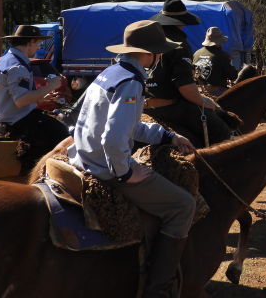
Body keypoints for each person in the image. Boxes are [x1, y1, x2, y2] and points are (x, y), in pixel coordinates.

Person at [68, 20, 196, 298]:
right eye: (158, 52)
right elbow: (114, 139)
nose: (159, 57)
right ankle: (158, 289)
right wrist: (125, 173)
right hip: (104, 166)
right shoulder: (131, 81)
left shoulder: (112, 72)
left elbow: (128, 125)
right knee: (184, 205)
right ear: (149, 54)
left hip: (83, 156)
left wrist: (168, 137)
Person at [143, 0, 231, 145]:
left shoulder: (148, 40)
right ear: (181, 22)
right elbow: (184, 86)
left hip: (142, 104)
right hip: (170, 107)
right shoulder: (180, 45)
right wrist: (204, 101)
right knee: (222, 131)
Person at [0, 25, 69, 168]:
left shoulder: (4, 60)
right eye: (38, 43)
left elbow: (11, 96)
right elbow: (21, 101)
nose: (38, 47)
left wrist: (41, 97)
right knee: (63, 134)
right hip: (17, 119)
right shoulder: (17, 65)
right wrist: (51, 86)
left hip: (2, 115)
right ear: (31, 42)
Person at [192, 27, 238, 96]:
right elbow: (233, 76)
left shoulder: (196, 53)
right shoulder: (222, 55)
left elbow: (192, 72)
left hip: (199, 91)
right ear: (218, 43)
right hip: (217, 92)